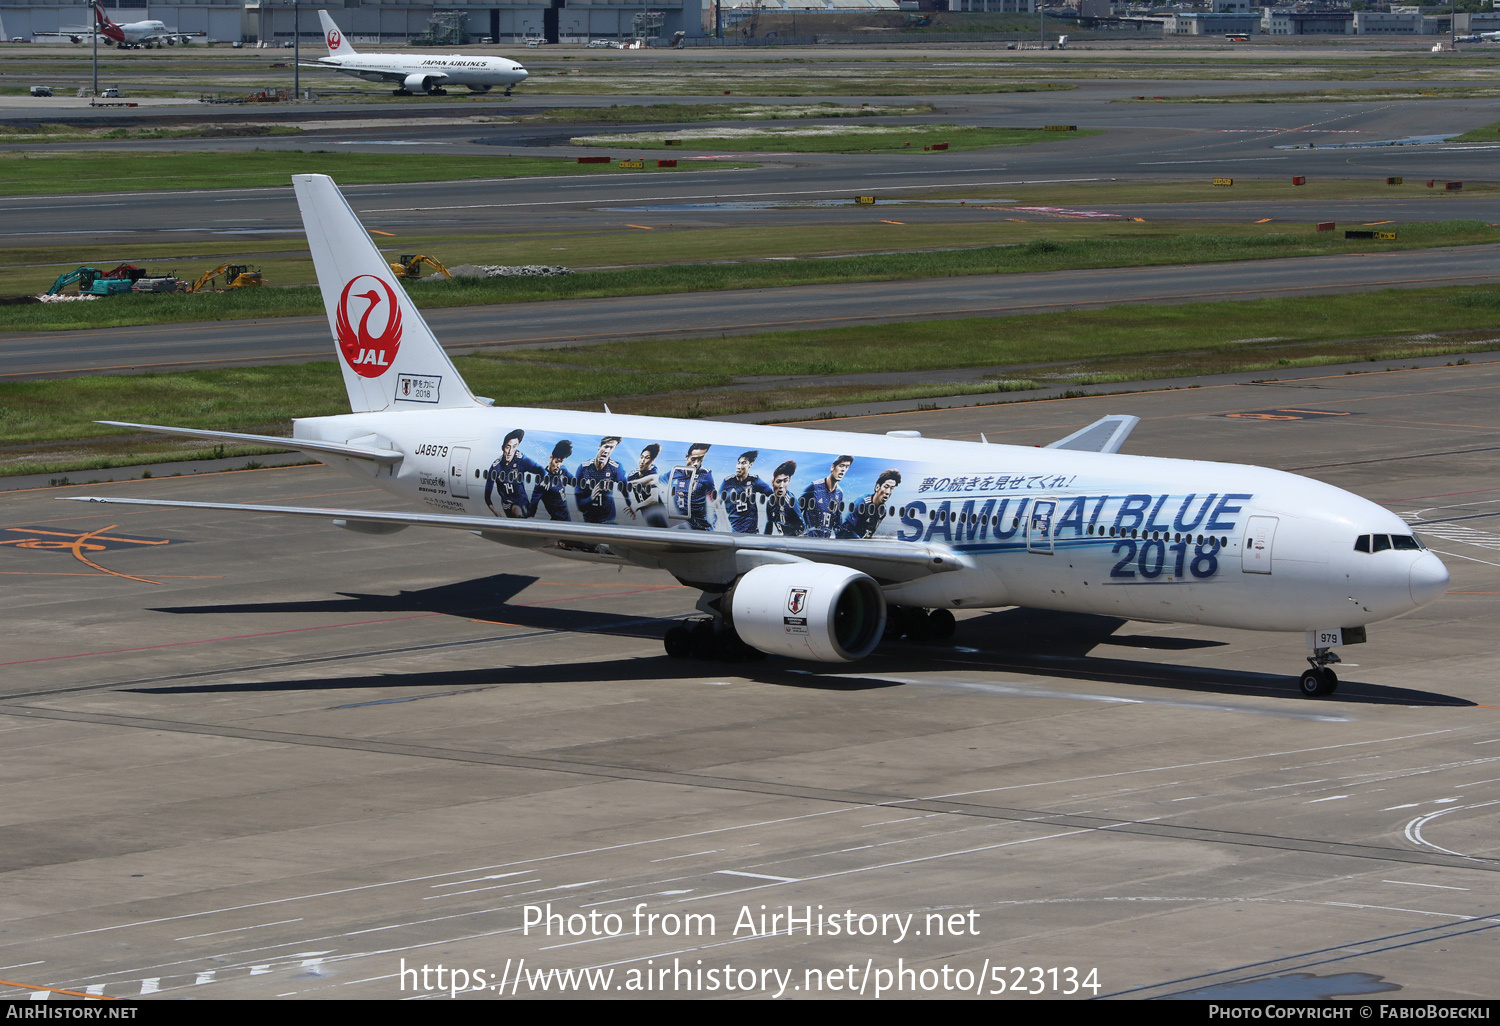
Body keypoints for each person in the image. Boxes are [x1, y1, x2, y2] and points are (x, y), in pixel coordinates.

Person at [484, 428, 539, 519]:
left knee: (529, 520)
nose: (510, 452)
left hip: (523, 502)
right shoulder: (496, 467)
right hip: (509, 504)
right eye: (507, 447)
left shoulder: (520, 460)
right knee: (518, 513)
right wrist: (495, 511)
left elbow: (540, 470)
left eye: (514, 447)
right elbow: (487, 496)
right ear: (503, 447)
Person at [574, 435, 626, 524]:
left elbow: (626, 487)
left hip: (609, 519)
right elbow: (579, 505)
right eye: (605, 446)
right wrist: (591, 498)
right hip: (589, 520)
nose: (607, 451)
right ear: (599, 446)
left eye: (611, 448)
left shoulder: (616, 467)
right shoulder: (584, 468)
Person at [837, 469, 901, 539]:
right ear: (877, 487)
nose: (888, 492)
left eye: (892, 488)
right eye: (886, 487)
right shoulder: (862, 502)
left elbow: (870, 532)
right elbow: (845, 529)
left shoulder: (882, 511)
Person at [720, 450, 772, 534]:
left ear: (750, 465)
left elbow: (771, 494)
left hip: (752, 531)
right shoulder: (728, 482)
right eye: (738, 463)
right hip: (734, 531)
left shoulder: (754, 480)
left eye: (743, 463)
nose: (739, 466)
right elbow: (716, 502)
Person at [667, 442, 717, 531]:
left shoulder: (706, 475)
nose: (696, 463)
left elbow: (713, 500)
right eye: (693, 459)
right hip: (681, 523)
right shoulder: (676, 472)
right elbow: (656, 479)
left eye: (700, 459)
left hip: (700, 526)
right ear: (687, 457)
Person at [801, 454, 852, 538]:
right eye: (841, 466)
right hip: (809, 541)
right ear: (832, 467)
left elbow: (837, 522)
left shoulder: (839, 493)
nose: (843, 470)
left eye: (847, 467)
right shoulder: (814, 486)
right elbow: (798, 511)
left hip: (825, 542)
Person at [530, 439, 573, 521]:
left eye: (561, 462)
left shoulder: (563, 470)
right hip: (557, 521)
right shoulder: (542, 480)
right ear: (551, 458)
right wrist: (530, 517)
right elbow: (533, 503)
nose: (558, 465)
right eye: (557, 462)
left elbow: (577, 483)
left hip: (567, 520)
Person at [763, 460, 803, 537]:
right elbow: (769, 524)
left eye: (785, 481)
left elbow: (802, 527)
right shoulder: (770, 502)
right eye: (778, 481)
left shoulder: (791, 501)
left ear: (789, 481)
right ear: (773, 482)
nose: (781, 486)